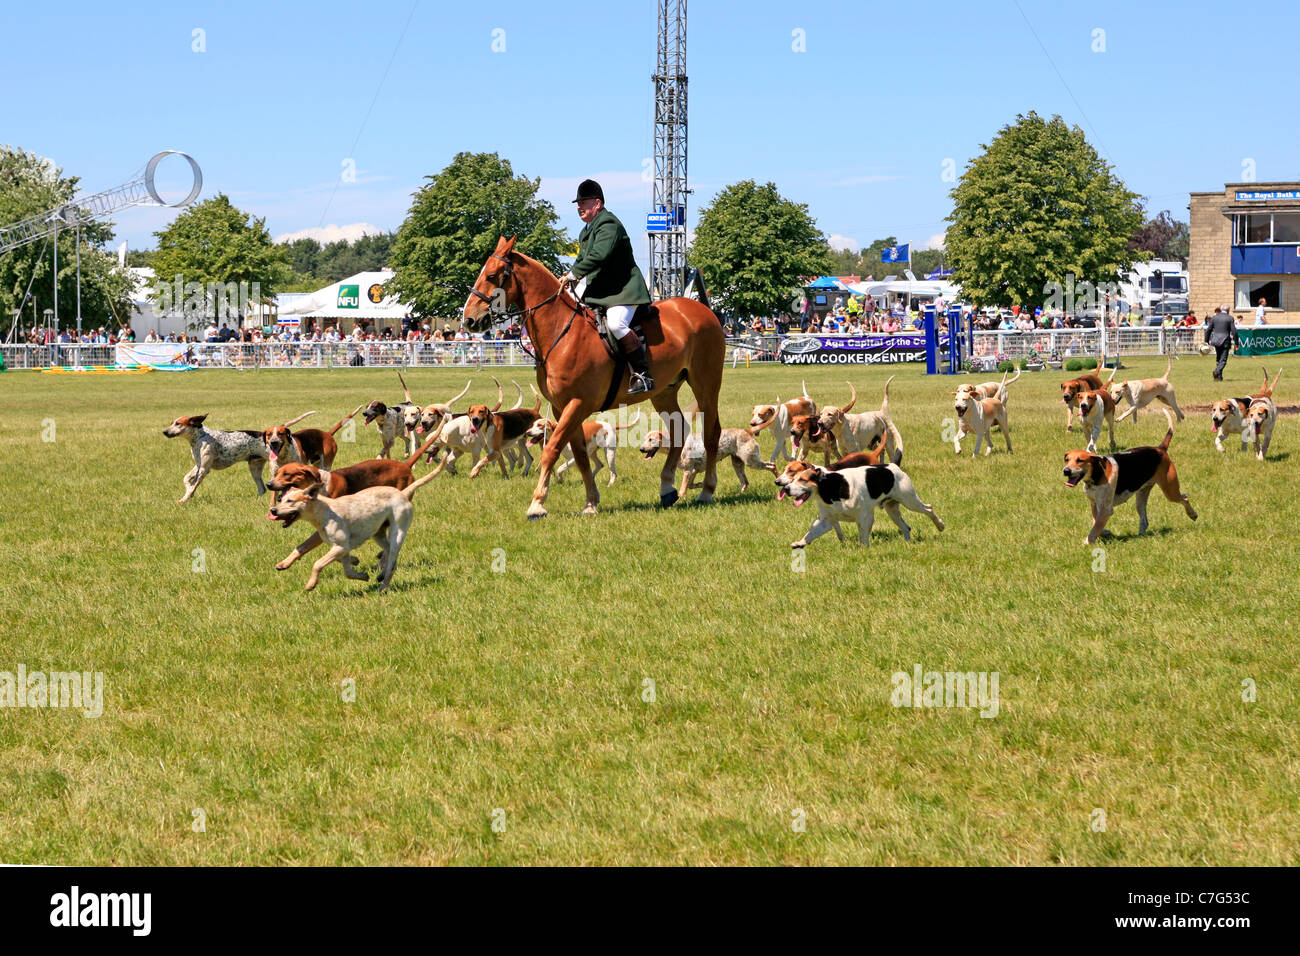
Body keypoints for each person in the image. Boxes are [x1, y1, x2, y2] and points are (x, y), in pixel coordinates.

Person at [559, 179, 654, 394]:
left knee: (616, 325)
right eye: (578, 203)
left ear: (597, 204)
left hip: (623, 291)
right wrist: (567, 278)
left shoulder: (608, 224)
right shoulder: (586, 232)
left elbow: (598, 256)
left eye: (583, 202)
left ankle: (643, 374)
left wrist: (575, 274)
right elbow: (581, 259)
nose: (579, 207)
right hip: (602, 293)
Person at [1205, 304, 1241, 381]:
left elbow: (1208, 330)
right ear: (1228, 310)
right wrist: (1237, 343)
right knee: (1223, 360)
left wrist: (1206, 341)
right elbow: (1234, 331)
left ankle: (1219, 378)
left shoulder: (1214, 317)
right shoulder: (1230, 318)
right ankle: (1216, 371)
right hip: (1225, 341)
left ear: (1221, 310)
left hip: (1216, 340)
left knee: (1218, 359)